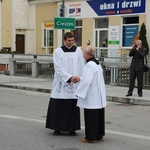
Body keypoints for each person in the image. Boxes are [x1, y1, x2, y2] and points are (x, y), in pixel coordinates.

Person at [45, 32, 85, 135]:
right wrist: (69, 77)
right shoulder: (58, 51)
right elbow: (58, 68)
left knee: (72, 106)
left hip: (75, 82)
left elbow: (81, 66)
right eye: (69, 41)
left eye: (72, 40)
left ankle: (72, 128)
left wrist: (79, 78)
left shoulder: (78, 51)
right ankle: (57, 127)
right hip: (61, 82)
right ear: (64, 40)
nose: (71, 42)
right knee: (59, 105)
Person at [75, 46, 107, 143]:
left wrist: (79, 92)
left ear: (88, 54)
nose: (83, 54)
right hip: (98, 95)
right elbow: (89, 77)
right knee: (99, 116)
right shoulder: (96, 64)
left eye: (84, 52)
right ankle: (99, 135)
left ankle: (91, 137)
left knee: (91, 117)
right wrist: (80, 78)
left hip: (92, 95)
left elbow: (87, 81)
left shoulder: (90, 65)